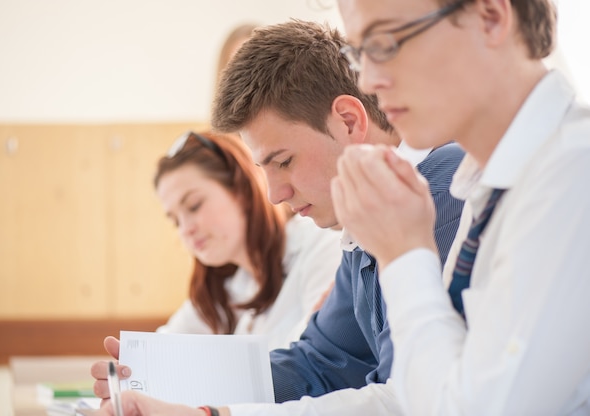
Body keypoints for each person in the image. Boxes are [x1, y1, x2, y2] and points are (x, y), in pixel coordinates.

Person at [91, 20, 465, 415]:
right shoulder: (363, 220)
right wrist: (158, 381)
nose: (274, 194)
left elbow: (407, 401)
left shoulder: (445, 196)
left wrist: (211, 415)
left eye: (284, 162)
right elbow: (319, 365)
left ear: (349, 122)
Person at [330, 0, 590, 414]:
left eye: (385, 43)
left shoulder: (573, 173)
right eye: (360, 54)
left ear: (490, 18)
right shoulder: (488, 184)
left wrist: (403, 253)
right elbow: (433, 386)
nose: (370, 81)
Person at [149, 130, 342, 350]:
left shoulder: (321, 244)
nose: (186, 229)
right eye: (175, 221)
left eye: (194, 206)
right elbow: (163, 347)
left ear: (242, 189)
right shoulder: (228, 288)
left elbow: (315, 362)